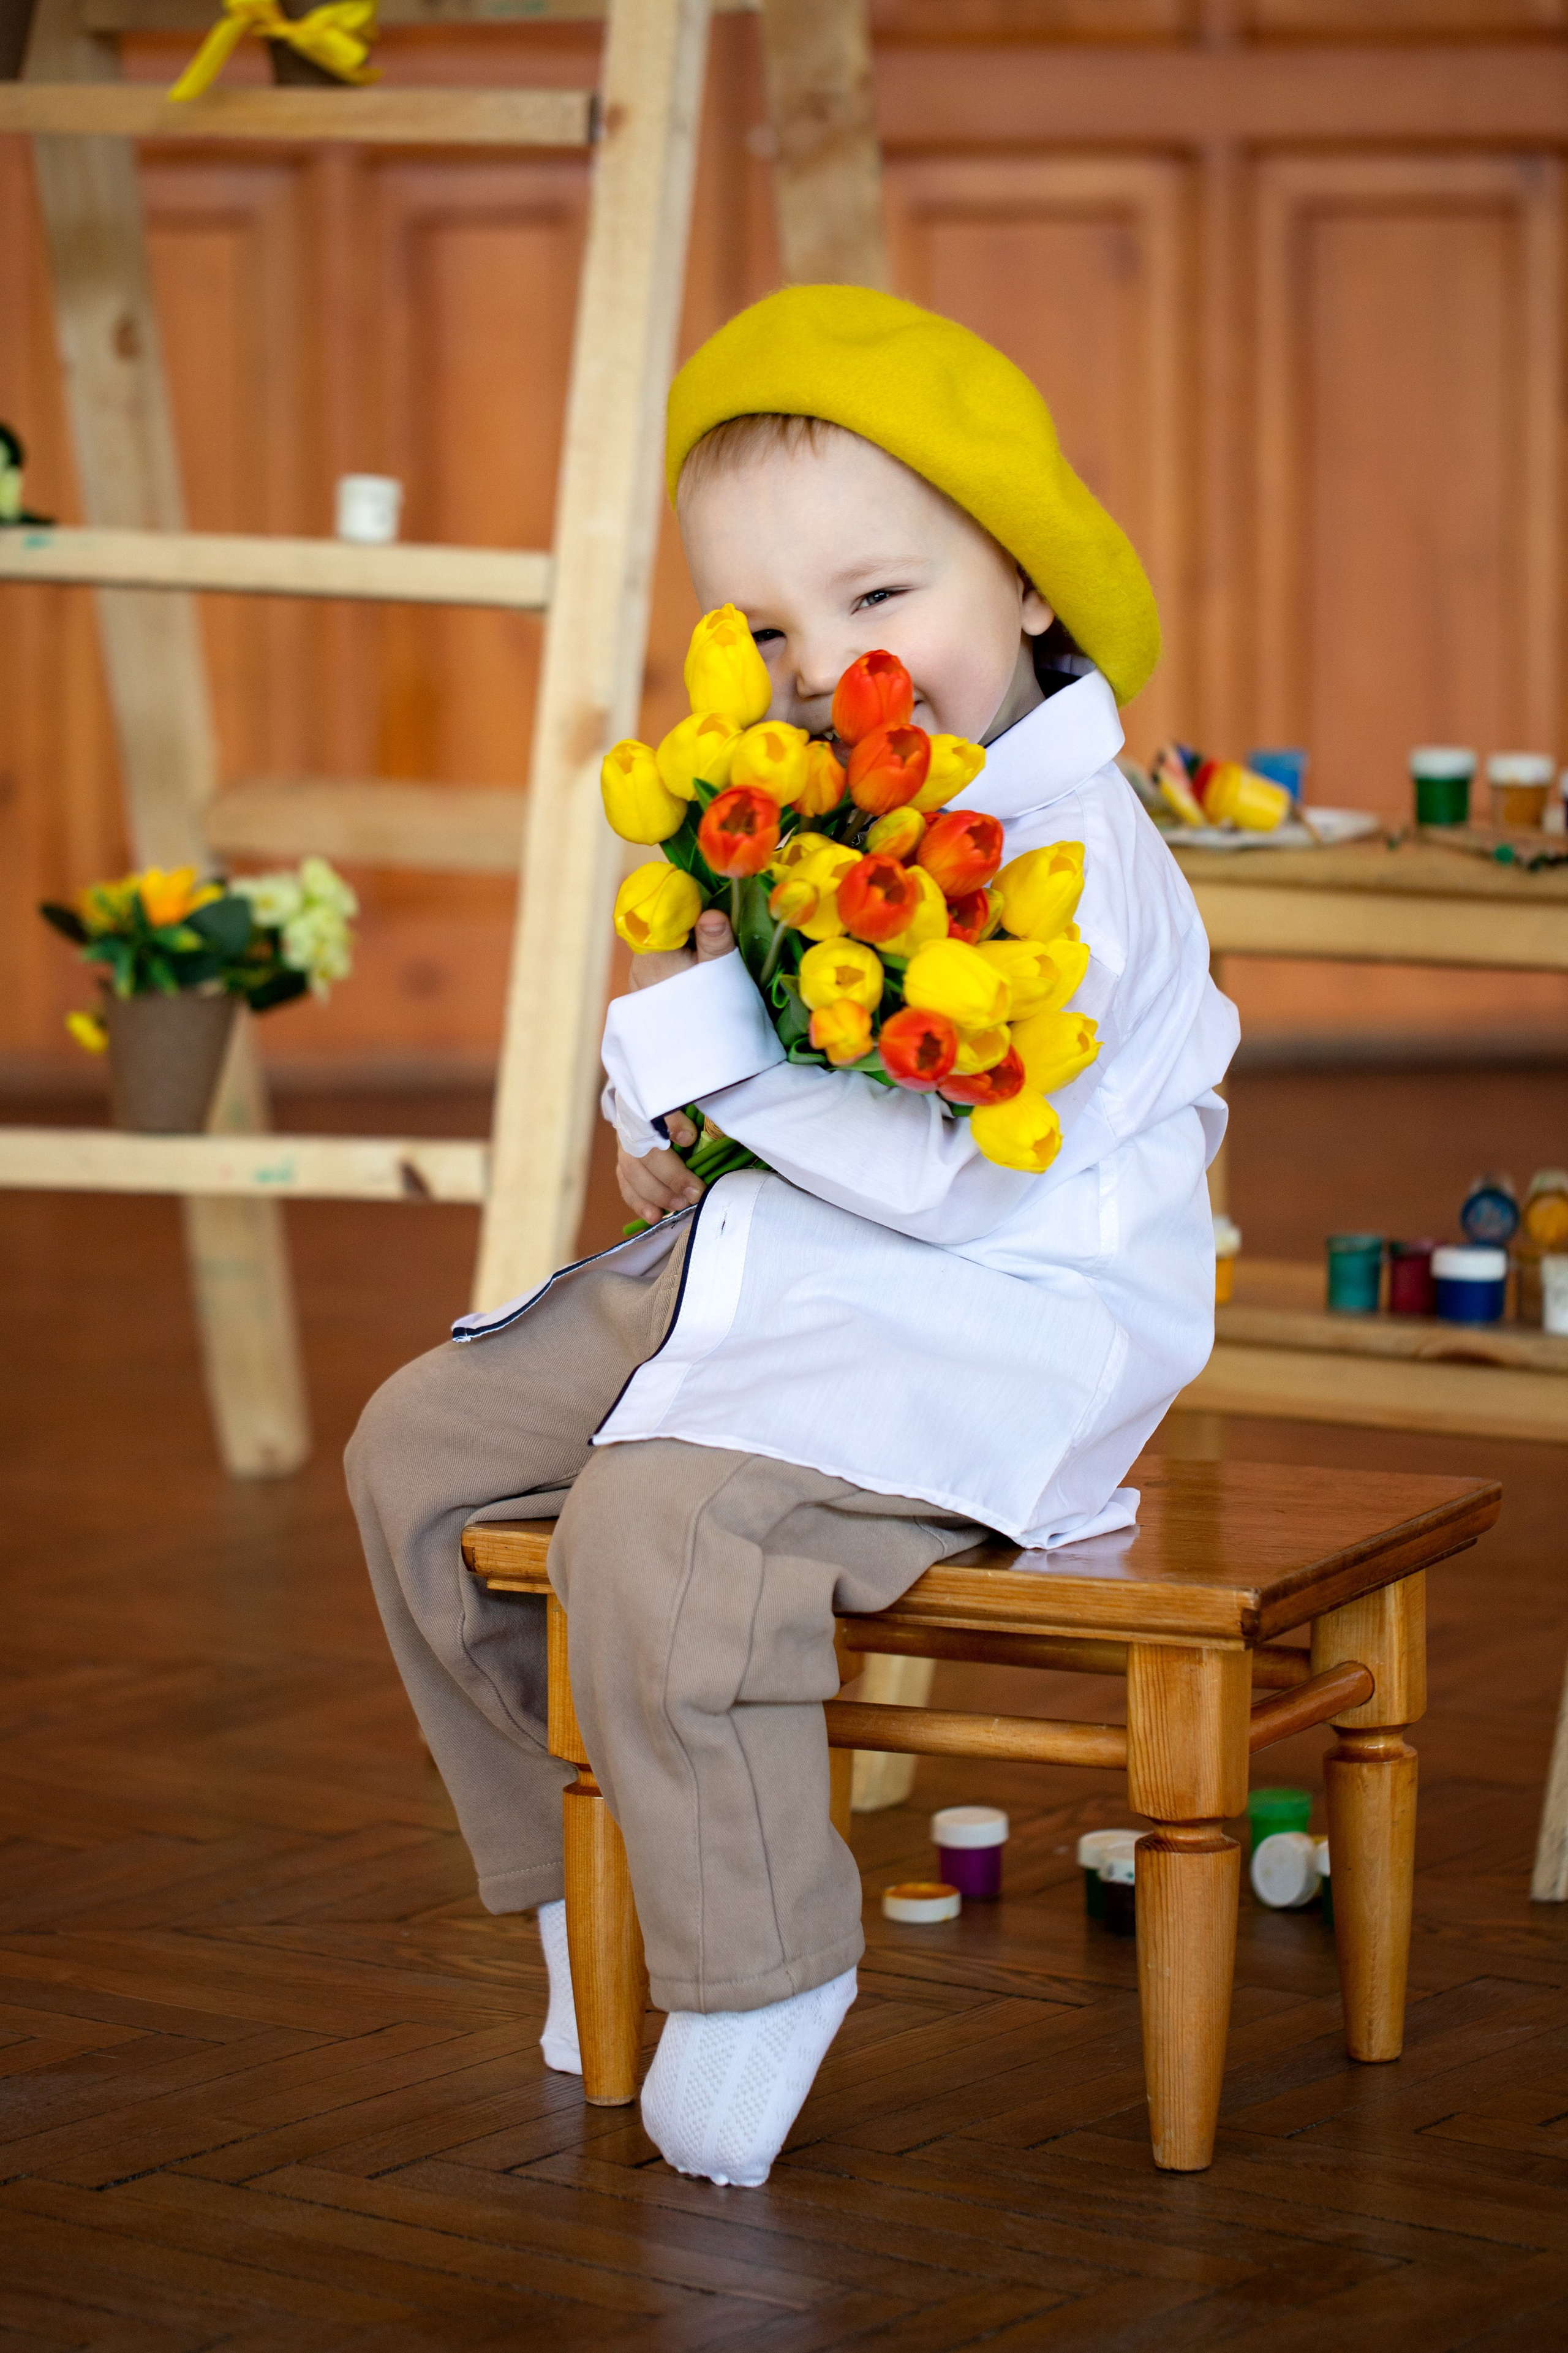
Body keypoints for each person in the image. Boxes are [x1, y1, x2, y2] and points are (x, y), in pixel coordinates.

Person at [347, 286, 1238, 2191]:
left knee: (659, 1520)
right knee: (419, 1447)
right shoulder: (806, 814)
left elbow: (969, 1178)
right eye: (766, 627)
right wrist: (665, 1126)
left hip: (1000, 1307)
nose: (828, 665)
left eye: (879, 597)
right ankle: (577, 1880)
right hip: (787, 1247)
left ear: (1026, 590)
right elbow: (739, 1056)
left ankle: (755, 1961)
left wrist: (700, 1066)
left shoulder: (1090, 865)